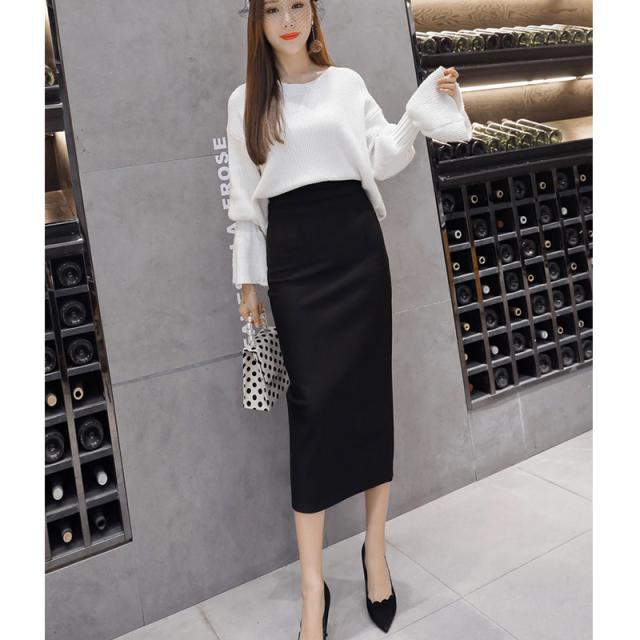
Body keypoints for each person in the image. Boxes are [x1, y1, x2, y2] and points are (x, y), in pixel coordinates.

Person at [225, 2, 471, 638]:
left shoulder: (346, 83)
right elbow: (245, 204)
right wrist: (248, 280)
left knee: (368, 401)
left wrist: (418, 112)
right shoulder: (245, 101)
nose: (287, 19)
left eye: (297, 5)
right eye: (273, 8)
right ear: (258, 21)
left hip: (356, 248)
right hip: (295, 259)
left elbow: (382, 154)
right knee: (311, 411)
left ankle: (374, 552)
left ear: (313, 12)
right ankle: (314, 588)